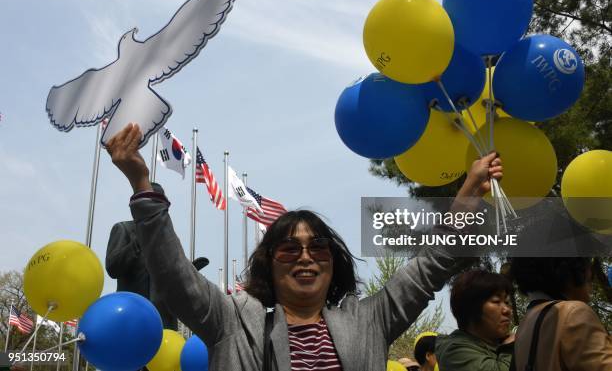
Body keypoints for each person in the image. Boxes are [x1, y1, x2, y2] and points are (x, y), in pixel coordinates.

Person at [106, 123, 502, 371]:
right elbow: (174, 277)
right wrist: (142, 185)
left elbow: (431, 265)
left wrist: (468, 191)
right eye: (289, 250)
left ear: (334, 262)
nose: (306, 257)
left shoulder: (370, 322)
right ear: (269, 264)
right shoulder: (231, 321)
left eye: (319, 247)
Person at [105, 182, 210, 330]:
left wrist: (190, 269)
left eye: (163, 205)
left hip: (164, 322)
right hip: (132, 318)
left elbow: (173, 277)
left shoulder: (168, 238)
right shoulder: (123, 229)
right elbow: (113, 268)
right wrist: (138, 242)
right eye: (156, 203)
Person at [510, 257, 612, 370]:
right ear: (572, 268)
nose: (591, 272)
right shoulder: (574, 313)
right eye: (588, 261)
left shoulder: (525, 325)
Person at [436, 270, 514, 371]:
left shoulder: (500, 342)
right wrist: (509, 348)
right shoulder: (455, 352)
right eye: (496, 301)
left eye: (507, 302)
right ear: (471, 308)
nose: (507, 310)